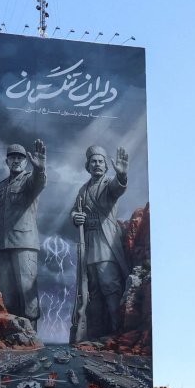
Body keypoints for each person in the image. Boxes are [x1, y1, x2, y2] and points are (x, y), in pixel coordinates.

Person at [69, 145, 130, 342]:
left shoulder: (108, 185)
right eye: (93, 161)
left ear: (106, 166)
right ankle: (96, 334)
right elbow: (74, 210)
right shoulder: (83, 189)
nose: (97, 164)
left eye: (100, 161)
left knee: (110, 288)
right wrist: (75, 216)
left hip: (106, 244)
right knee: (92, 292)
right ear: (88, 165)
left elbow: (118, 187)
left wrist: (121, 175)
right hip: (88, 244)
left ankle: (117, 332)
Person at [0, 140, 46, 324]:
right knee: (6, 292)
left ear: (26, 161)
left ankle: (32, 335)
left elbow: (38, 183)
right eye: (12, 157)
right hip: (3, 245)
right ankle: (13, 333)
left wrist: (40, 169)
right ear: (7, 161)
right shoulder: (2, 186)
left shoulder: (29, 179)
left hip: (24, 242)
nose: (16, 161)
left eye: (20, 158)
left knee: (27, 290)